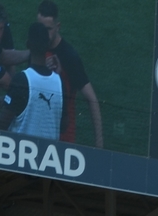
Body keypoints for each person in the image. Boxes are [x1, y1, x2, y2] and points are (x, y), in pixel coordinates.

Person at [34, 2, 103, 147]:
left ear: (58, 26)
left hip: (63, 138)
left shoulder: (69, 56)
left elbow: (92, 98)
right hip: (39, 132)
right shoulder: (37, 48)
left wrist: (99, 142)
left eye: (48, 29)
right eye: (41, 28)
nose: (44, 34)